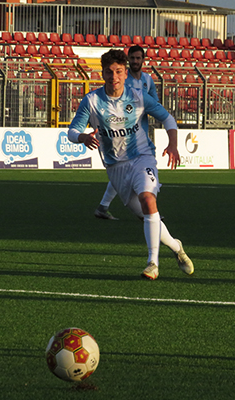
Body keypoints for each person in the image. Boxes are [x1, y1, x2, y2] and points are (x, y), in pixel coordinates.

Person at [69, 49, 194, 280]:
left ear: (125, 73)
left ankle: (152, 263)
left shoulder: (138, 96)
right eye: (108, 72)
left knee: (149, 199)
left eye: (118, 71)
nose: (113, 76)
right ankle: (177, 248)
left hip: (142, 157)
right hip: (116, 168)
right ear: (102, 73)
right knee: (147, 216)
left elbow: (168, 118)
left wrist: (173, 144)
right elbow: (72, 130)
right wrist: (82, 137)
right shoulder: (92, 101)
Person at [94, 45, 160, 220]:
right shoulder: (122, 79)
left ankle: (105, 206)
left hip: (139, 131)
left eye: (139, 58)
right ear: (128, 60)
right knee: (124, 168)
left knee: (127, 171)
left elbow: (155, 102)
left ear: (143, 60)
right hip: (120, 133)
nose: (135, 61)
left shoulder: (148, 79)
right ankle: (145, 211)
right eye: (133, 58)